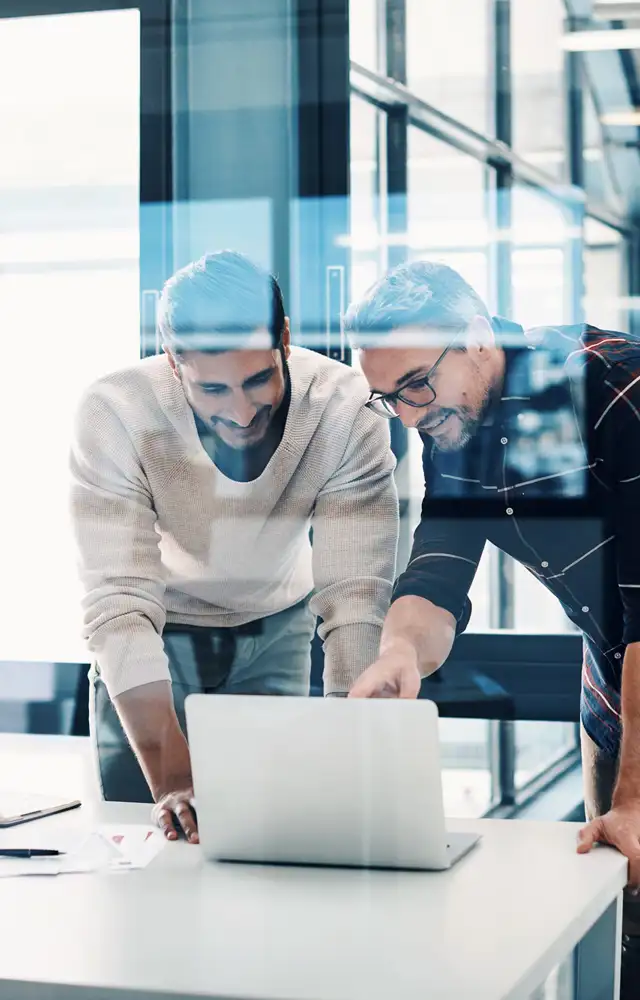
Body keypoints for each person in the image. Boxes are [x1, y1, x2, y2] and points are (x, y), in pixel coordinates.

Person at [344, 259, 640, 997]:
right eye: (389, 399)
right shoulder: (451, 425)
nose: (408, 415)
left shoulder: (614, 390)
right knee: (618, 923)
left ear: (476, 337)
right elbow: (439, 571)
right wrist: (399, 655)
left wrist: (637, 796)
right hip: (612, 687)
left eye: (415, 385)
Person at [70, 250, 398, 842]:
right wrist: (173, 781)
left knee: (272, 835)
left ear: (285, 340)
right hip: (152, 637)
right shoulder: (115, 412)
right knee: (150, 848)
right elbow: (118, 601)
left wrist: (353, 758)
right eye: (213, 389)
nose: (241, 411)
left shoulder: (345, 408)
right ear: (173, 363)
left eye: (258, 379)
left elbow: (354, 595)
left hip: (277, 626)